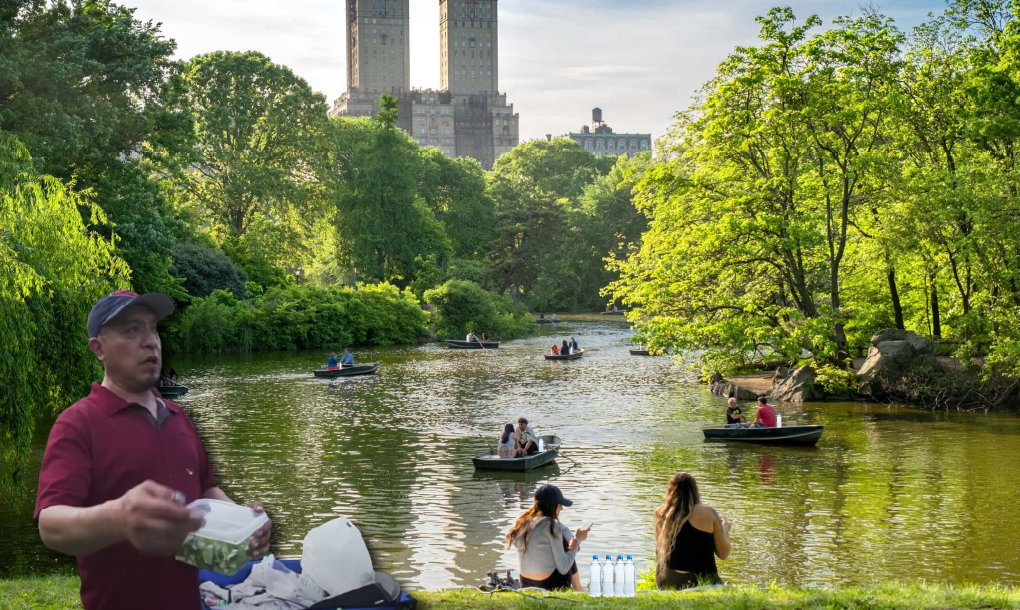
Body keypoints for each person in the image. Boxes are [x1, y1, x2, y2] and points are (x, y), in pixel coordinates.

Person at [34, 290, 272, 610]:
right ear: (99, 348)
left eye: (153, 328)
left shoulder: (178, 417)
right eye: (132, 330)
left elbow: (206, 488)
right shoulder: (77, 423)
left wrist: (246, 523)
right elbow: (50, 525)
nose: (151, 341)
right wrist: (119, 518)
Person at [506, 485, 590, 591]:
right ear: (553, 506)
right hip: (550, 584)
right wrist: (577, 540)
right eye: (560, 505)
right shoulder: (553, 527)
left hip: (525, 582)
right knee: (566, 548)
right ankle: (578, 588)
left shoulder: (522, 523)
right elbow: (564, 568)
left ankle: (578, 588)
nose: (561, 508)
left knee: (562, 549)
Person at [653, 473, 730, 590]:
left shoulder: (660, 513)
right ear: (695, 491)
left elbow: (660, 552)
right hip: (701, 580)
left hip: (666, 581)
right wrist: (725, 530)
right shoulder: (708, 512)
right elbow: (723, 554)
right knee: (725, 586)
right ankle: (723, 587)